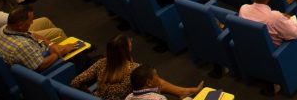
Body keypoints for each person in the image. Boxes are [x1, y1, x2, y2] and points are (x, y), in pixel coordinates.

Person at [71, 34, 202, 100]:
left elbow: (75, 82)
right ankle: (181, 92)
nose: (131, 43)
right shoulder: (133, 69)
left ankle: (181, 91)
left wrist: (92, 97)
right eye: (129, 43)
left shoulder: (101, 63)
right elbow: (154, 84)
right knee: (151, 78)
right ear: (126, 50)